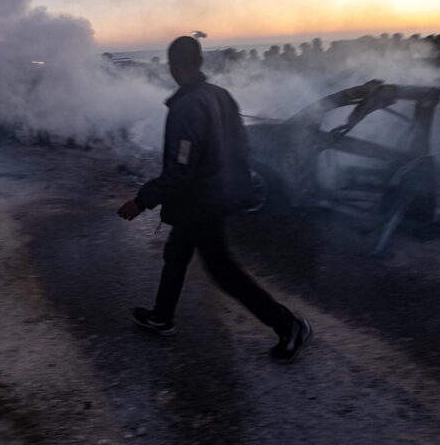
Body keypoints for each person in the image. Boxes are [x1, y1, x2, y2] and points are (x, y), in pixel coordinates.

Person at [117, 36, 311, 363]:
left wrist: (142, 200)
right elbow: (242, 146)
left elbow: (180, 169)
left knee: (223, 270)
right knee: (176, 255)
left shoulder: (187, 106)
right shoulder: (220, 95)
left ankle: (288, 325)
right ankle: (162, 316)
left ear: (173, 66)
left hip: (201, 203)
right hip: (213, 196)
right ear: (199, 61)